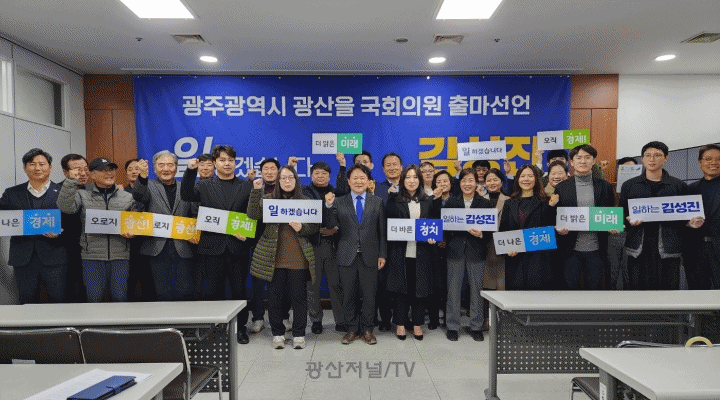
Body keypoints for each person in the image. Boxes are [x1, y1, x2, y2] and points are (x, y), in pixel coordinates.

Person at [180, 145, 253, 344]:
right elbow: (186, 195)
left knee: (239, 292)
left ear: (235, 162)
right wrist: (190, 171)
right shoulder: (204, 186)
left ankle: (240, 329)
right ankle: (216, 330)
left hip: (238, 248)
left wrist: (248, 238)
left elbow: (255, 216)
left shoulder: (246, 186)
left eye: (230, 160)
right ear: (214, 163)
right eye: (222, 160)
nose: (227, 164)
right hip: (212, 248)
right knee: (213, 291)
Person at [247, 166, 319, 349]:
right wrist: (256, 191)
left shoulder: (305, 201)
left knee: (299, 298)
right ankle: (277, 334)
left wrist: (302, 228)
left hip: (298, 258)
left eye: (290, 178)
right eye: (283, 178)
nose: (287, 181)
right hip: (274, 258)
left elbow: (315, 227)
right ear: (278, 181)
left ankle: (299, 335)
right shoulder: (269, 200)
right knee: (275, 299)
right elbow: (253, 214)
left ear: (296, 180)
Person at [57, 157, 137, 302]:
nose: (109, 173)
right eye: (103, 170)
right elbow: (66, 207)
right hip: (91, 257)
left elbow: (135, 221)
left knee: (120, 298)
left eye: (111, 170)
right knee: (93, 299)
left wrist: (133, 232)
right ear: (92, 175)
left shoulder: (127, 196)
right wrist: (70, 181)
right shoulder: (82, 195)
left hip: (120, 256)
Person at [324, 164, 387, 345]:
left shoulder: (377, 202)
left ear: (369, 181)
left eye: (362, 178)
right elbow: (330, 226)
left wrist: (382, 254)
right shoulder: (339, 201)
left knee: (369, 295)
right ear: (349, 181)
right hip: (346, 254)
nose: (359, 181)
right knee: (348, 294)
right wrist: (328, 206)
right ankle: (351, 329)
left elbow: (382, 231)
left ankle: (367, 329)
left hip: (371, 255)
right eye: (355, 178)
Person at [620, 141, 694, 290]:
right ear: (642, 159)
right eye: (648, 155)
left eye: (657, 155)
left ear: (666, 158)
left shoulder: (679, 186)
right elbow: (622, 214)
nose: (652, 159)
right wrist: (627, 220)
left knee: (668, 290)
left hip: (669, 247)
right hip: (638, 247)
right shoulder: (629, 185)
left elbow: (685, 217)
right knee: (637, 290)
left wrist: (690, 223)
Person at [0, 149, 67, 304]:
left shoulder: (63, 192)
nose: (37, 168)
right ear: (25, 168)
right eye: (32, 164)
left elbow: (74, 221)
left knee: (59, 301)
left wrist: (61, 232)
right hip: (23, 258)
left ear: (50, 167)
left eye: (42, 164)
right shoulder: (12, 193)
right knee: (27, 301)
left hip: (55, 256)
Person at [552, 145, 616, 290]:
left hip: (597, 248)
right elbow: (556, 216)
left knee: (594, 290)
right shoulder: (562, 187)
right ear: (572, 162)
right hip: (570, 249)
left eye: (587, 157)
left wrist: (612, 226)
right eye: (579, 158)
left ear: (594, 161)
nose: (583, 161)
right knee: (570, 290)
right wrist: (559, 228)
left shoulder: (605, 187)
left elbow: (610, 214)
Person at [133, 151, 194, 301]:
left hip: (183, 246)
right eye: (161, 165)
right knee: (160, 291)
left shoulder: (186, 187)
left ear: (176, 168)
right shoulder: (148, 186)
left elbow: (193, 213)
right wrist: (142, 176)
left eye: (170, 165)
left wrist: (194, 232)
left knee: (185, 290)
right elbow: (139, 196)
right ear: (154, 169)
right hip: (156, 247)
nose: (166, 169)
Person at [442, 168, 494, 341]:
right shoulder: (451, 203)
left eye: (470, 180)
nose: (467, 184)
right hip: (455, 251)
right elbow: (445, 228)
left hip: (476, 250)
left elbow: (491, 230)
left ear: (476, 182)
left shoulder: (485, 204)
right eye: (464, 180)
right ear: (460, 183)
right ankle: (452, 326)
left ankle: (476, 326)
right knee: (453, 290)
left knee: (477, 290)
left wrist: (481, 234)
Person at [386, 165, 436, 341]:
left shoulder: (428, 200)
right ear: (403, 180)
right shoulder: (394, 200)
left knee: (419, 289)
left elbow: (434, 224)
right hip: (400, 252)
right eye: (408, 177)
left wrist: (433, 237)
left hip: (422, 252)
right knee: (401, 290)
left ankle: (417, 323)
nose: (412, 181)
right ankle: (400, 323)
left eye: (415, 177)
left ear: (420, 180)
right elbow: (388, 226)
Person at [297, 159, 346, 334]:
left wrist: (335, 229)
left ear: (329, 176)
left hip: (332, 246)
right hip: (312, 245)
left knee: (336, 285)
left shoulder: (337, 192)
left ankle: (341, 320)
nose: (320, 176)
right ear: (311, 175)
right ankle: (316, 320)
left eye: (324, 173)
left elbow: (344, 218)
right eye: (316, 173)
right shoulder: (304, 192)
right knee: (312, 286)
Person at [500, 164, 559, 290]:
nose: (526, 179)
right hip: (515, 259)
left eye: (530, 176)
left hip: (539, 259)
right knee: (515, 297)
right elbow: (503, 230)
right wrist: (507, 249)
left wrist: (551, 207)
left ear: (536, 179)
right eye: (523, 176)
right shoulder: (509, 203)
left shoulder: (546, 201)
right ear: (517, 179)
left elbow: (551, 231)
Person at [685, 144, 720, 290]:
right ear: (700, 163)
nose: (714, 162)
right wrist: (688, 224)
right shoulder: (689, 189)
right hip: (695, 251)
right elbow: (682, 220)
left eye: (718, 159)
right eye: (708, 159)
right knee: (697, 294)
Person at [123, 158, 154, 302]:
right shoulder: (119, 192)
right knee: (128, 283)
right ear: (126, 173)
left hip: (148, 243)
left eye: (137, 168)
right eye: (130, 169)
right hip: (126, 245)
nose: (134, 172)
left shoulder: (152, 190)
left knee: (149, 283)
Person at [481, 168, 509, 329]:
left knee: (501, 285)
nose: (492, 183)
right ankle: (486, 319)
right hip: (483, 247)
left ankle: (502, 321)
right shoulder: (480, 200)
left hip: (503, 249)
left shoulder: (509, 200)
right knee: (485, 285)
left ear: (502, 182)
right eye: (489, 180)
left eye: (495, 179)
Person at [59, 154, 89, 302]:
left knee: (88, 291)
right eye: (77, 169)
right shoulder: (55, 190)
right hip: (64, 250)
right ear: (66, 172)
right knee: (67, 291)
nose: (82, 173)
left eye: (85, 168)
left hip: (91, 250)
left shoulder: (95, 190)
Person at [427, 170, 454, 329]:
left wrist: (447, 241)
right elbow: (427, 221)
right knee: (435, 284)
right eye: (439, 182)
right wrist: (434, 198)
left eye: (445, 181)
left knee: (450, 285)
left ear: (451, 183)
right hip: (434, 248)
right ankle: (433, 318)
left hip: (452, 248)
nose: (442, 184)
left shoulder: (457, 201)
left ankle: (448, 318)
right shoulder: (430, 201)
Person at [607, 157, 638, 290]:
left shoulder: (641, 189)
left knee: (629, 271)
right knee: (612, 271)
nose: (629, 171)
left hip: (632, 234)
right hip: (613, 233)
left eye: (633, 168)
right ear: (619, 170)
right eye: (625, 168)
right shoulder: (610, 188)